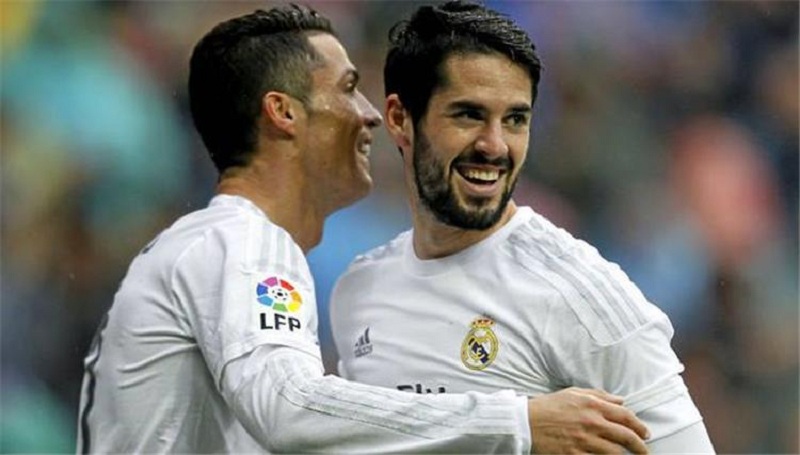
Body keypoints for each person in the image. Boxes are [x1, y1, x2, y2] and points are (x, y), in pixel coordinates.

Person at [76, 4, 650, 453]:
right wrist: (518, 422)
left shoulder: (215, 243)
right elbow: (289, 407)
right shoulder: (245, 243)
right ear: (284, 113)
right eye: (349, 88)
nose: (371, 114)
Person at [330, 1, 715, 453]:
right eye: (469, 115)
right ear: (399, 119)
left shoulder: (579, 295)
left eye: (515, 120)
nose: (495, 146)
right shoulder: (360, 290)